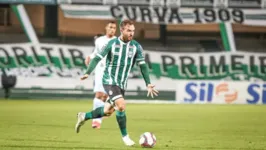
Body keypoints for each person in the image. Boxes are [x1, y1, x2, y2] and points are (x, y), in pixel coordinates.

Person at [75, 20, 159, 146]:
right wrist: (88, 72)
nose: (131, 33)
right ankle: (125, 136)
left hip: (122, 84)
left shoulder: (136, 46)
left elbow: (143, 65)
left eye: (133, 31)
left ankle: (84, 116)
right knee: (121, 105)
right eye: (129, 30)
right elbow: (97, 57)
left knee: (107, 111)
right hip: (109, 80)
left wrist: (148, 83)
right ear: (122, 30)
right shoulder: (111, 43)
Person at [85, 21, 117, 129]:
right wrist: (90, 56)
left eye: (114, 28)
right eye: (110, 27)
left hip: (112, 71)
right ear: (106, 28)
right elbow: (96, 52)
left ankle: (102, 114)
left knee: (106, 97)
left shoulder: (118, 41)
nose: (112, 29)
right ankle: (96, 120)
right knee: (99, 94)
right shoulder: (99, 40)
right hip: (100, 69)